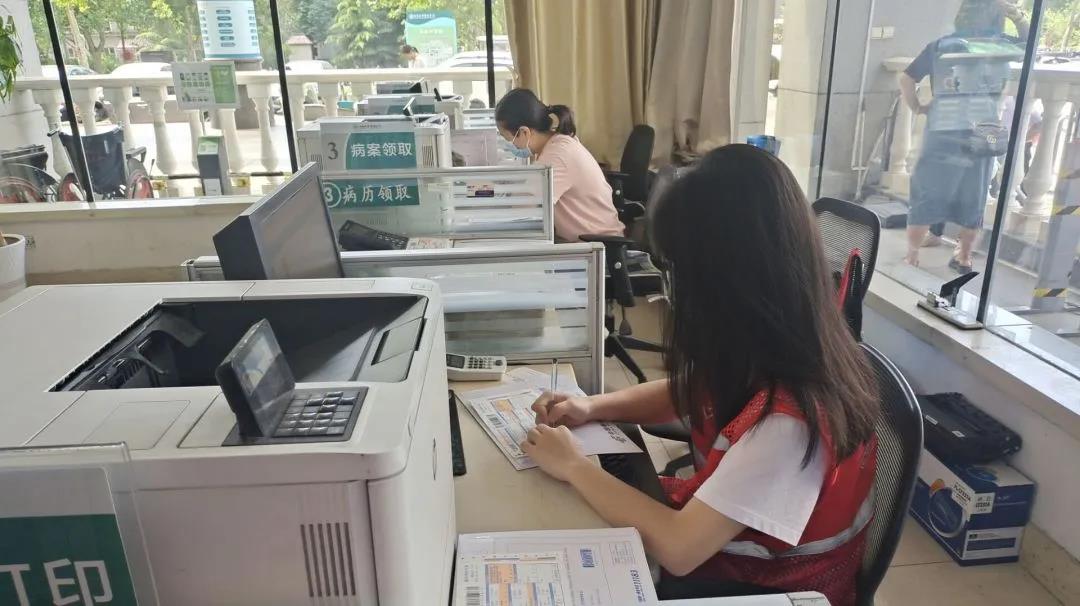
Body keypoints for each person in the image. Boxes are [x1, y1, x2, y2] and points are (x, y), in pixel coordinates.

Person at [522, 144, 880, 604]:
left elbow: (679, 549)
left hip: (755, 592)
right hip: (724, 563)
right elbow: (690, 391)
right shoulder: (777, 342)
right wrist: (591, 406)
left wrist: (574, 466)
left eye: (676, 271)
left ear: (724, 280)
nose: (673, 290)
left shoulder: (790, 422)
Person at [900, 0, 1030, 272]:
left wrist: (918, 107)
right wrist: (1016, 15)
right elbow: (1030, 45)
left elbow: (907, 78)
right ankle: (964, 257)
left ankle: (911, 255)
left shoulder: (940, 46)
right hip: (983, 130)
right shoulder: (1002, 46)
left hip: (943, 128)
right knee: (974, 194)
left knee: (927, 190)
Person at [494, 88, 625, 242]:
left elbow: (524, 210)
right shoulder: (555, 144)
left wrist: (490, 198)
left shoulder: (558, 155)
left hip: (599, 247)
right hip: (584, 242)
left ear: (524, 132)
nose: (510, 145)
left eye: (508, 139)